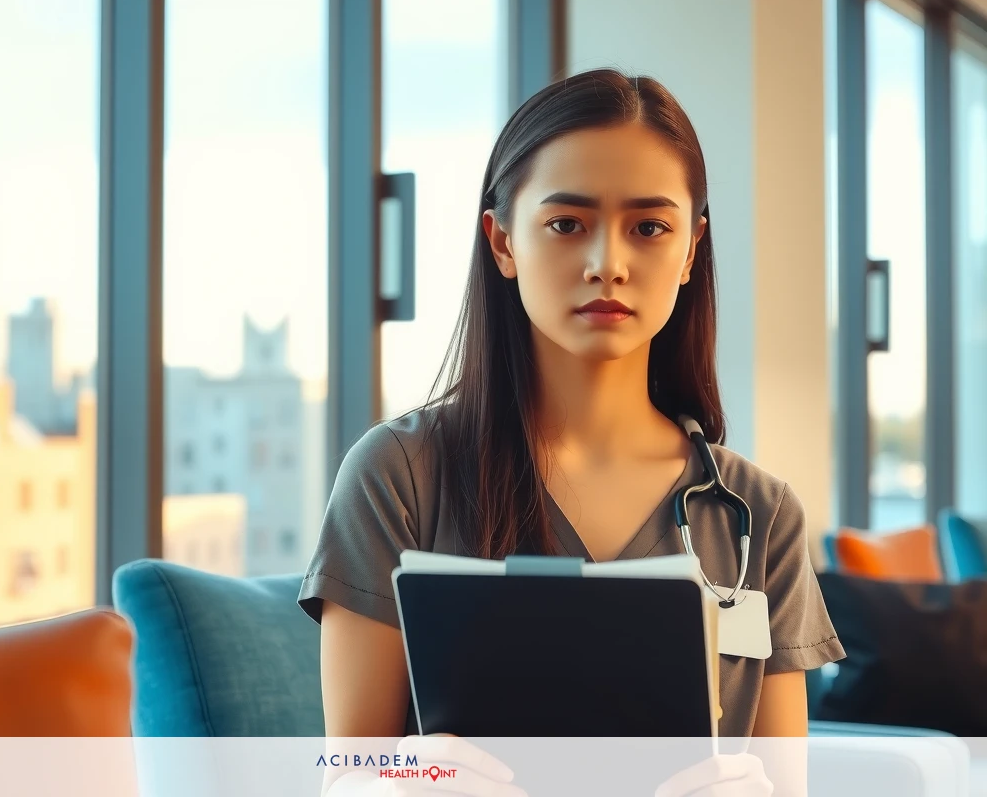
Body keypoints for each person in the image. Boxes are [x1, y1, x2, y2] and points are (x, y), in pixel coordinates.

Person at [299, 68, 845, 795]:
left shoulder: (759, 513)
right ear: (502, 242)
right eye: (566, 224)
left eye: (649, 228)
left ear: (689, 251)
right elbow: (350, 778)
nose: (607, 265)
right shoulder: (400, 474)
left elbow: (785, 785)